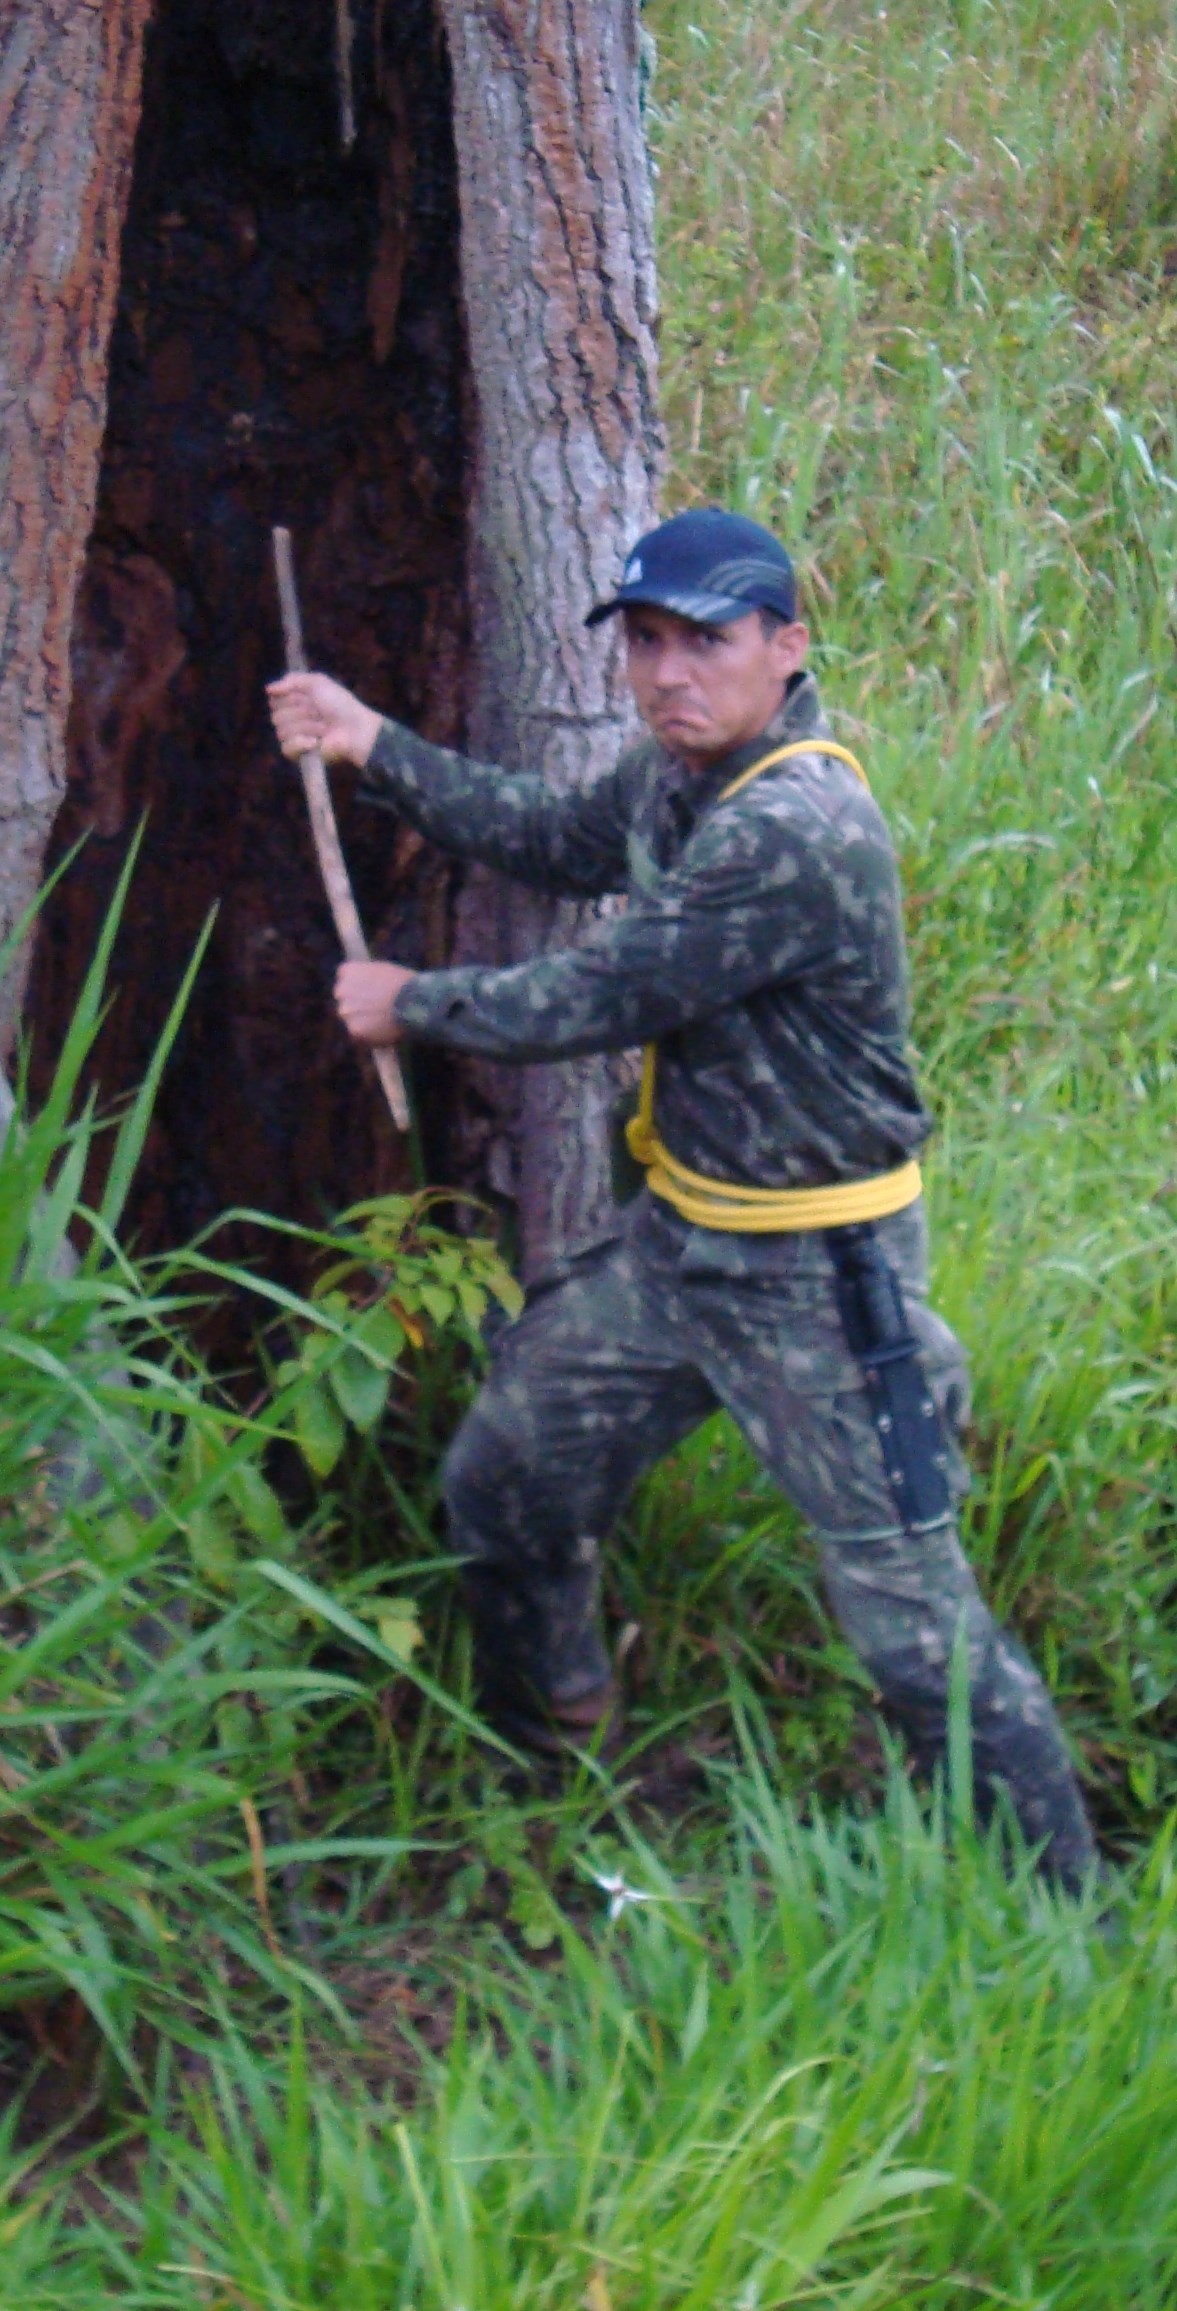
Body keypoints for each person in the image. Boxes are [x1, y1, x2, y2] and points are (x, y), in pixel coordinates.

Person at [267, 507, 1097, 1888]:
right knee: (508, 1481)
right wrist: (375, 746)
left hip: (826, 1281)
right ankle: (562, 1776)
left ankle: (1071, 1920)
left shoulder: (794, 826)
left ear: (786, 648)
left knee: (910, 1632)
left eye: (701, 642)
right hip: (680, 1249)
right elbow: (550, 833)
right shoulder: (676, 780)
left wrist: (412, 1003)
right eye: (645, 642)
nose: (664, 674)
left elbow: (604, 991)